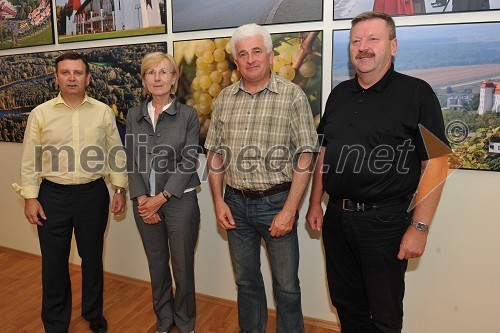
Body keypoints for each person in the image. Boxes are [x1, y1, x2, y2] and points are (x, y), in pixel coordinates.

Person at [306, 11, 449, 333]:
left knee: (384, 313)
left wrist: (420, 227)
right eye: (356, 40)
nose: (363, 47)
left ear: (393, 46)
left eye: (373, 39)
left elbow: (437, 162)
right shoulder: (339, 94)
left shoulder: (417, 93)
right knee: (346, 304)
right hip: (337, 219)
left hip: (385, 222)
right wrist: (316, 203)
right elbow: (324, 152)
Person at [205, 23, 318, 333]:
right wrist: (218, 201)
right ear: (236, 61)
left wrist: (290, 209)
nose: (251, 59)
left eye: (257, 52)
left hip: (277, 203)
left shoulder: (292, 96)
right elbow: (214, 152)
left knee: (286, 286)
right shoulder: (225, 98)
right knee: (246, 282)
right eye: (243, 54)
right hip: (235, 205)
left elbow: (306, 156)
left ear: (270, 56)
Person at [13, 52, 127, 333]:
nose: (72, 77)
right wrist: (30, 197)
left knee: (92, 259)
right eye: (65, 72)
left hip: (93, 195)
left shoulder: (102, 112)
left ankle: (93, 313)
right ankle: (55, 322)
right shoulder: (41, 114)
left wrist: (120, 188)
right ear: (56, 77)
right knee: (53, 263)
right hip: (52, 197)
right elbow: (30, 160)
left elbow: (116, 153)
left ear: (88, 78)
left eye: (78, 72)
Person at [125, 52, 200, 333]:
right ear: (144, 80)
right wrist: (143, 198)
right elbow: (131, 158)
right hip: (144, 201)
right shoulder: (134, 115)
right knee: (157, 266)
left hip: (179, 200)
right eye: (150, 72)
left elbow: (189, 159)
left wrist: (161, 198)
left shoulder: (188, 115)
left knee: (182, 267)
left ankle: (185, 322)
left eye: (163, 72)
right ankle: (164, 319)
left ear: (174, 80)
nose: (157, 77)